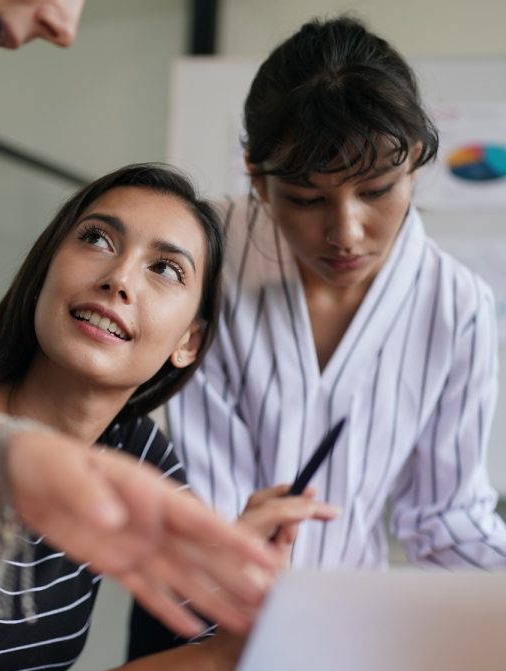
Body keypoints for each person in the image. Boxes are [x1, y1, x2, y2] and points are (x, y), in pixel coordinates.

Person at [0, 163, 336, 671]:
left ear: (188, 341)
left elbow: (202, 633)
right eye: (97, 239)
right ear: (46, 273)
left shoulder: (133, 448)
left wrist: (233, 573)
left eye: (165, 268)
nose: (118, 278)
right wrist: (221, 661)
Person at [162, 19, 506, 582]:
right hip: (197, 613)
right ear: (256, 176)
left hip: (347, 623)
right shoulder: (202, 255)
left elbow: (447, 522)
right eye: (305, 199)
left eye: (375, 191)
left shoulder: (456, 306)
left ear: (415, 161)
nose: (346, 233)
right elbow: (202, 497)